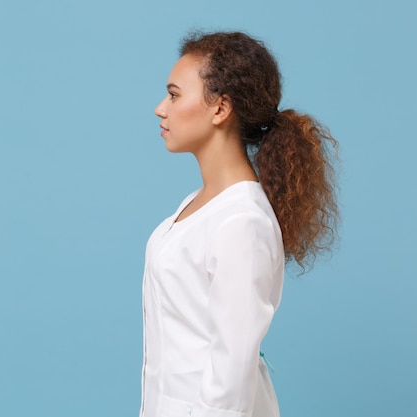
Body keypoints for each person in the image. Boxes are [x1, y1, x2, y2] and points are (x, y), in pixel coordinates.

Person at [139, 31, 339, 417]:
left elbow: (231, 374)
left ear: (220, 108)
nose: (160, 108)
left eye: (175, 95)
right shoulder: (196, 206)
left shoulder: (242, 221)